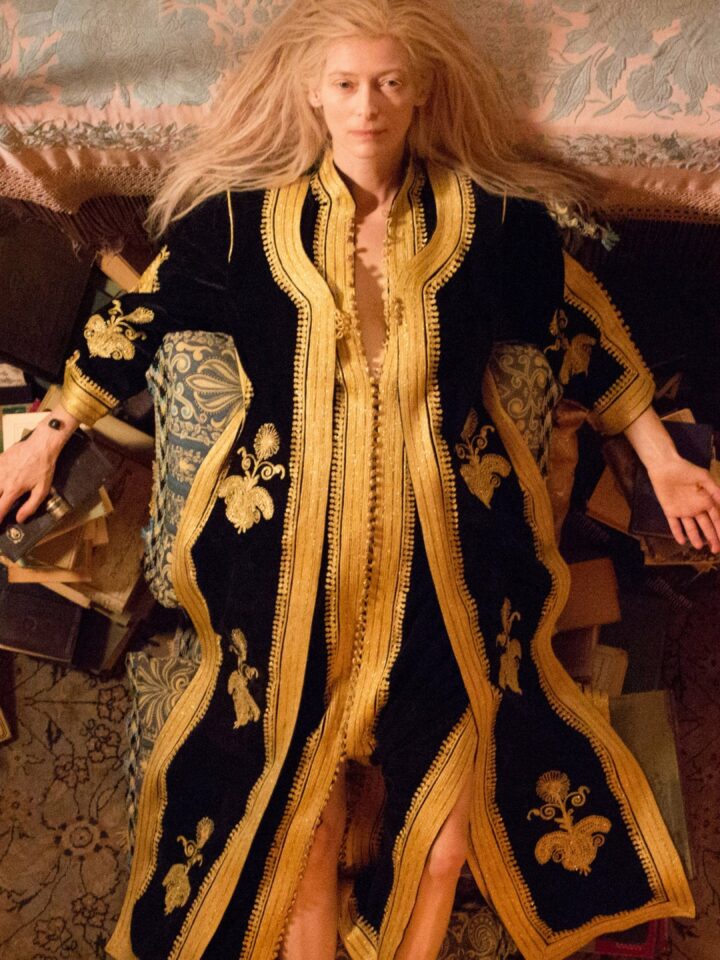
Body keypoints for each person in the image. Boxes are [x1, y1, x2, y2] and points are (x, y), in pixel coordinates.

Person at [1, 1, 718, 957]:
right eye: (345, 84)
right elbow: (137, 320)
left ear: (420, 93)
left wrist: (663, 459)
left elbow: (574, 332)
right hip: (281, 550)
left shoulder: (494, 224)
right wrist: (50, 434)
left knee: (449, 826)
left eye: (388, 83)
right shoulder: (238, 223)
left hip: (449, 550)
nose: (367, 107)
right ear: (313, 93)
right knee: (295, 810)